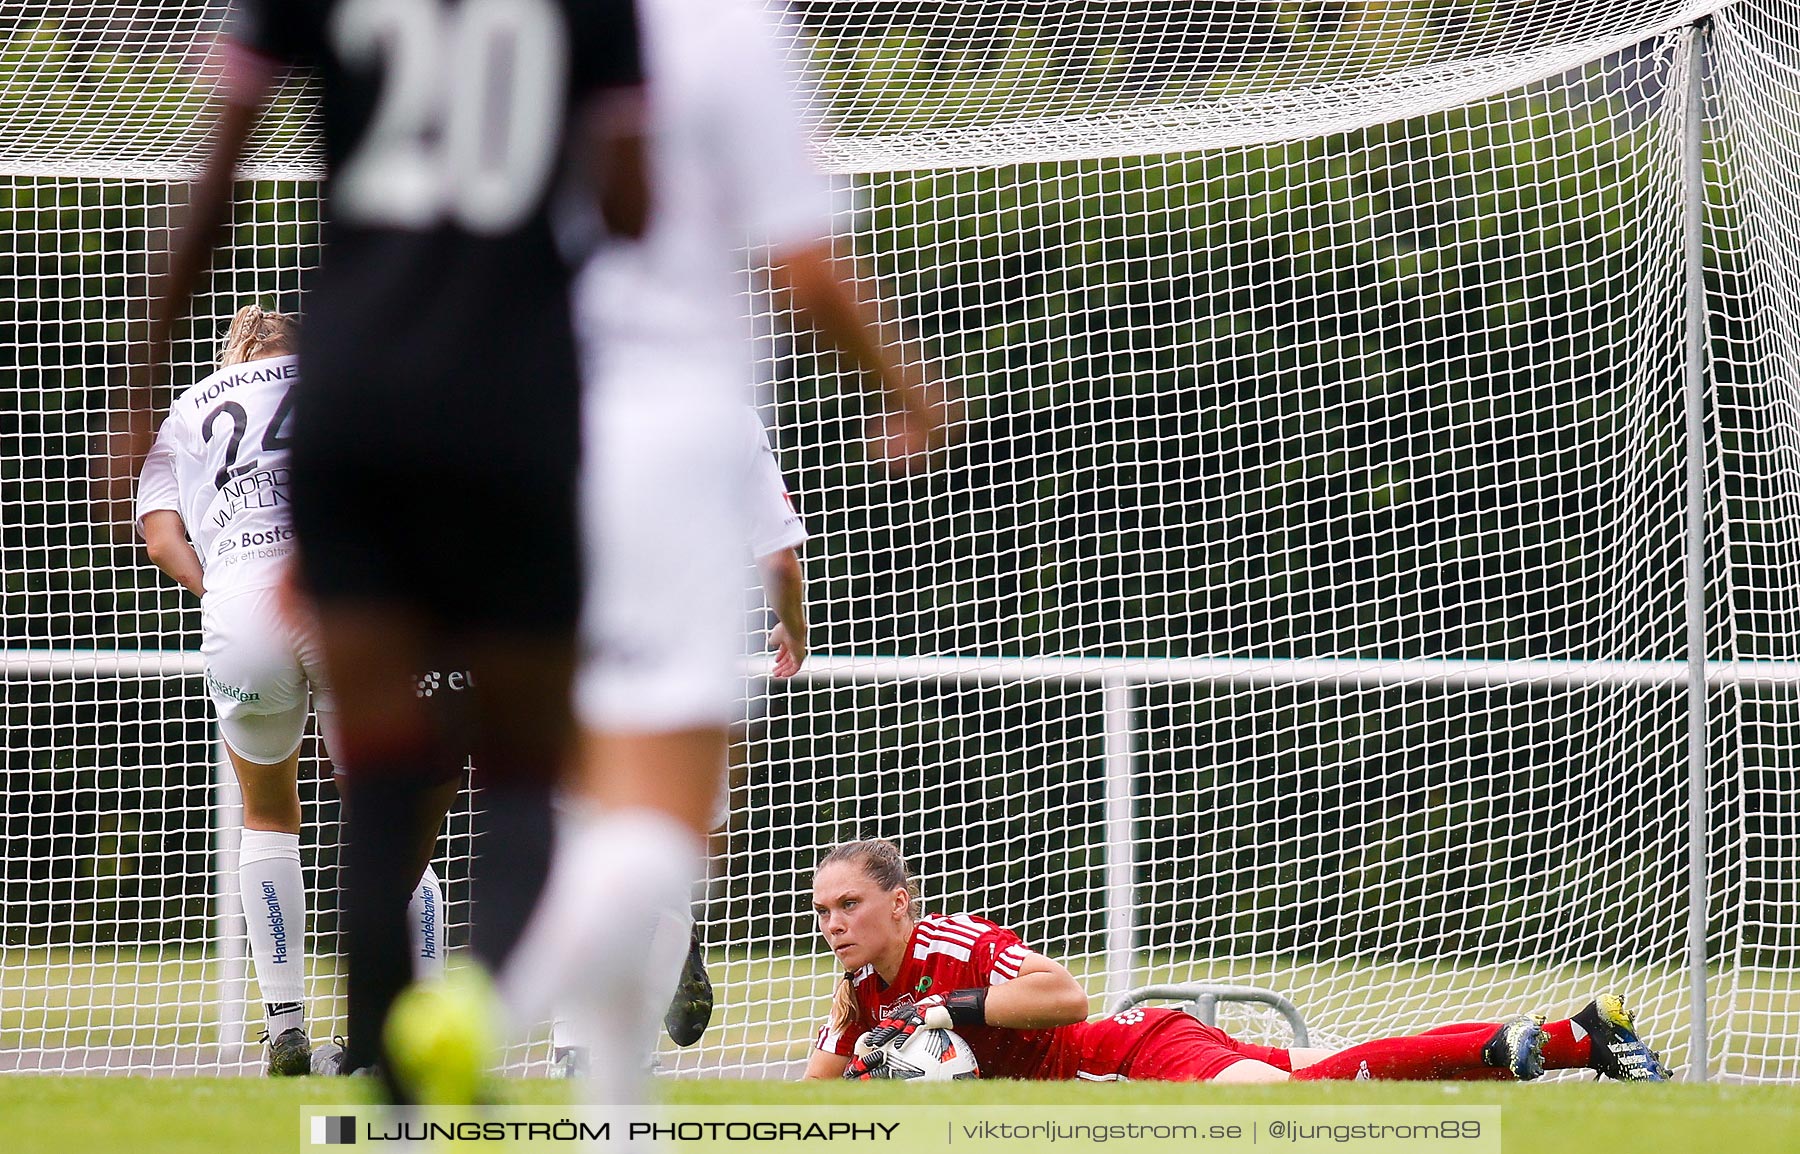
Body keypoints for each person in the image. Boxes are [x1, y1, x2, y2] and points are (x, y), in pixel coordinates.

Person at [112, 0, 651, 1099]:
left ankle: (361, 1071)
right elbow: (632, 200)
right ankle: (474, 1013)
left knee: (351, 779)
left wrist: (139, 382)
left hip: (354, 425)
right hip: (506, 399)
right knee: (504, 768)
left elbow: (215, 175)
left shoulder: (213, 395)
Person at [449, 0, 945, 1104]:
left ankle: (616, 1118)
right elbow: (809, 268)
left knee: (593, 802)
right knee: (666, 823)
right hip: (660, 440)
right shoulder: (728, 31)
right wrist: (913, 391)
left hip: (516, 430)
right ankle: (492, 1001)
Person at [134, 305, 448, 1075]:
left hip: (242, 607)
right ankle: (410, 1025)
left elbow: (157, 529)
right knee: (390, 813)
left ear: (232, 355)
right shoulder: (337, 376)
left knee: (269, 813)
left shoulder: (188, 408)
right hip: (341, 596)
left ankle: (284, 1026)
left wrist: (218, 592)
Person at [805, 840, 1671, 1083]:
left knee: (1291, 1100)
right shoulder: (856, 992)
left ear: (900, 904)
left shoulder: (948, 944)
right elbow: (812, 1100)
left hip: (1127, 1056)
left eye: (850, 905)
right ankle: (1575, 1037)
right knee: (1328, 1063)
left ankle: (1517, 1047)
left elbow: (1064, 997)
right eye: (823, 913)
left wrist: (947, 1013)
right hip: (1124, 1066)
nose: (836, 924)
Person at [550, 406, 812, 1073]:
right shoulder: (725, 408)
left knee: (586, 852)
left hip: (574, 654)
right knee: (668, 853)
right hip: (690, 665)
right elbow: (777, 558)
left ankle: (575, 1047)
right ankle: (615, 1044)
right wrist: (795, 628)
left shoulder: (558, 377)